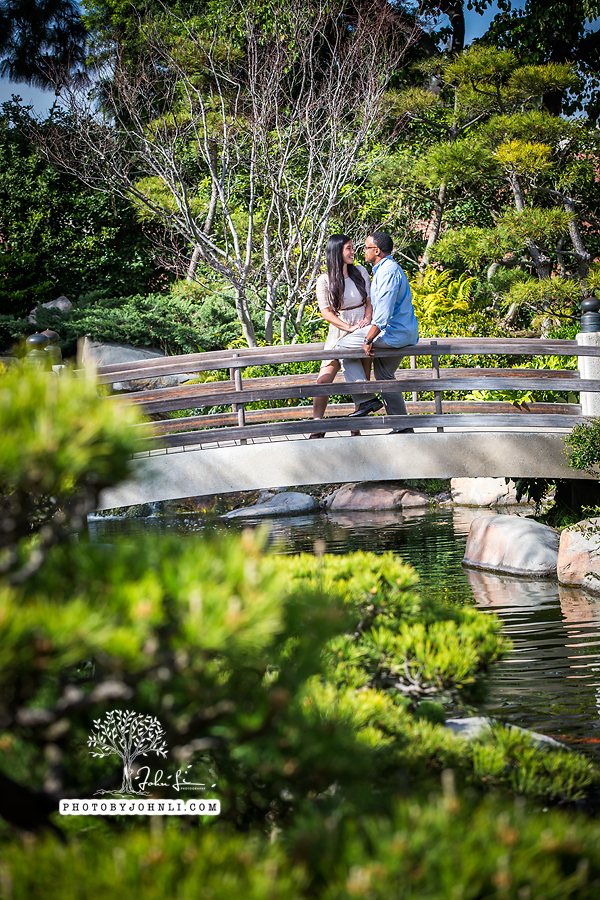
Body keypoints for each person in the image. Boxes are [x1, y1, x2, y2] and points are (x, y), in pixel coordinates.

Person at [335, 231, 419, 434]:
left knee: (341, 347)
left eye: (365, 247)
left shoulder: (387, 272)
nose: (362, 251)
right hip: (403, 333)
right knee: (384, 376)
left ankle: (365, 399)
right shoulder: (385, 269)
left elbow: (383, 313)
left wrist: (368, 338)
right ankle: (403, 427)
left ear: (377, 251)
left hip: (392, 334)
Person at [309, 234, 373, 438]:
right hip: (339, 331)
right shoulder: (324, 280)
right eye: (348, 248)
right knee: (323, 380)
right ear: (337, 251)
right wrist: (348, 327)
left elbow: (370, 300)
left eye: (353, 248)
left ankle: (356, 427)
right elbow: (326, 312)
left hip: (362, 328)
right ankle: (317, 425)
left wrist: (367, 320)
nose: (353, 251)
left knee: (360, 380)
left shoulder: (360, 272)